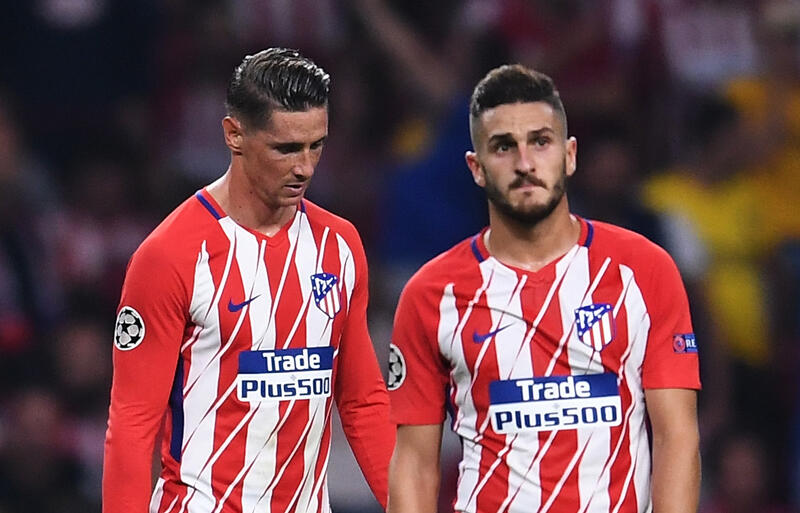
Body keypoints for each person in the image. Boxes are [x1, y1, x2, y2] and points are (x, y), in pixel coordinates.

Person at [387, 64, 701, 513]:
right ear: (476, 168)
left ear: (570, 155)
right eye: (503, 146)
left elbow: (676, 436)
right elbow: (415, 463)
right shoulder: (431, 295)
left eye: (540, 141)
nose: (524, 163)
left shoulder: (644, 271)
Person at [103, 48, 394, 513]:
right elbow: (133, 425)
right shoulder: (169, 256)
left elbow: (362, 402)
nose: (305, 167)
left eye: (316, 145)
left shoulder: (339, 246)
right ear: (234, 134)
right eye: (286, 148)